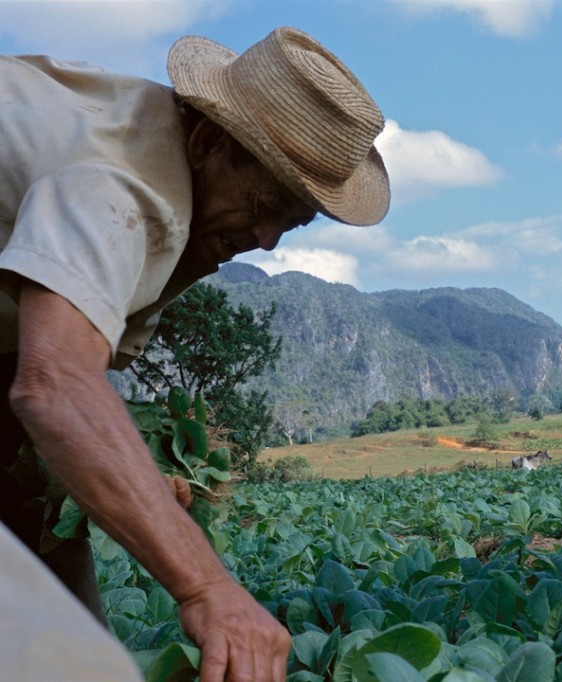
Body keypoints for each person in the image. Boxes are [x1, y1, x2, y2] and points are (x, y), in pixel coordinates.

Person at [0, 27, 389, 680]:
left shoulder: (163, 160)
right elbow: (55, 385)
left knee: (53, 598)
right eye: (264, 205)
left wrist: (132, 466)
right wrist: (209, 590)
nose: (266, 241)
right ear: (210, 142)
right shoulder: (119, 186)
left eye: (289, 223)